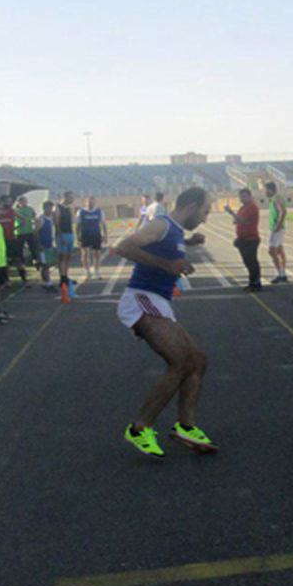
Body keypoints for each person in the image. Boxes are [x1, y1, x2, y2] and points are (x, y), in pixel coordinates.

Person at [113, 186, 217, 458]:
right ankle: (139, 428)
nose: (206, 217)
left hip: (158, 301)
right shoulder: (161, 225)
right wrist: (167, 265)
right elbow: (123, 246)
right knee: (180, 362)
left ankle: (186, 426)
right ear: (191, 206)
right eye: (205, 211)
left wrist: (190, 244)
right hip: (141, 298)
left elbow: (167, 248)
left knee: (197, 360)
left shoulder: (177, 231)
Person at [224, 188, 262, 291]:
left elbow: (243, 221)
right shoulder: (242, 208)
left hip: (251, 238)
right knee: (247, 262)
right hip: (243, 238)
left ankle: (256, 283)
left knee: (252, 261)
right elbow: (236, 221)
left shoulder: (252, 207)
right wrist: (235, 217)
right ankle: (252, 282)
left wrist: (232, 213)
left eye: (244, 196)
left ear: (250, 196)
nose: (242, 199)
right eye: (241, 197)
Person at [78, 196, 108, 280]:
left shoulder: (99, 212)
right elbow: (78, 225)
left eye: (92, 202)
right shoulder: (81, 212)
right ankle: (87, 271)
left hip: (96, 235)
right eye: (89, 202)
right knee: (85, 254)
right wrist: (78, 237)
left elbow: (103, 224)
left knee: (97, 254)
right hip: (85, 235)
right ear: (85, 202)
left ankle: (97, 271)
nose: (90, 203)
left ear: (95, 202)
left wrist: (105, 236)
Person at [264, 181, 288, 283]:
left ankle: (281, 274)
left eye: (265, 190)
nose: (264, 192)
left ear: (270, 189)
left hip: (276, 228)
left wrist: (278, 225)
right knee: (279, 251)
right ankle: (282, 273)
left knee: (271, 250)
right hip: (277, 227)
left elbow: (283, 211)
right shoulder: (274, 198)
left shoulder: (276, 198)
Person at [0, 195, 26, 283]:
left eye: (10, 201)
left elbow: (23, 219)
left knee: (17, 259)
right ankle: (6, 279)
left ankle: (23, 277)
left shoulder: (12, 211)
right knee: (5, 260)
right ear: (2, 202)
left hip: (12, 238)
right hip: (2, 239)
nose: (9, 203)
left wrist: (15, 228)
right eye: (7, 201)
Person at [14, 195, 41, 272]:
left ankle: (36, 263)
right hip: (19, 233)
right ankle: (22, 266)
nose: (25, 203)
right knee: (20, 250)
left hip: (29, 232)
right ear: (19, 202)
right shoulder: (15, 210)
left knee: (33, 248)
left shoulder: (30, 209)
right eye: (23, 201)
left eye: (26, 201)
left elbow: (35, 218)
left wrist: (36, 228)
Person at [56, 191, 77, 290]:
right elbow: (56, 223)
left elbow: (71, 221)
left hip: (69, 233)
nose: (72, 200)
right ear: (65, 197)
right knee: (62, 257)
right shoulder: (57, 208)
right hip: (62, 234)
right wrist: (60, 237)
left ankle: (66, 275)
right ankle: (62, 277)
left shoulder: (68, 208)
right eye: (70, 198)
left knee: (68, 256)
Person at [37, 200, 58, 290]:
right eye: (48, 208)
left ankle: (45, 281)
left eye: (51, 208)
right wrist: (39, 244)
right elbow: (35, 233)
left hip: (49, 244)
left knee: (48, 264)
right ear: (44, 208)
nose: (50, 210)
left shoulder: (51, 218)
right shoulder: (41, 219)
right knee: (45, 264)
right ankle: (47, 282)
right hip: (43, 245)